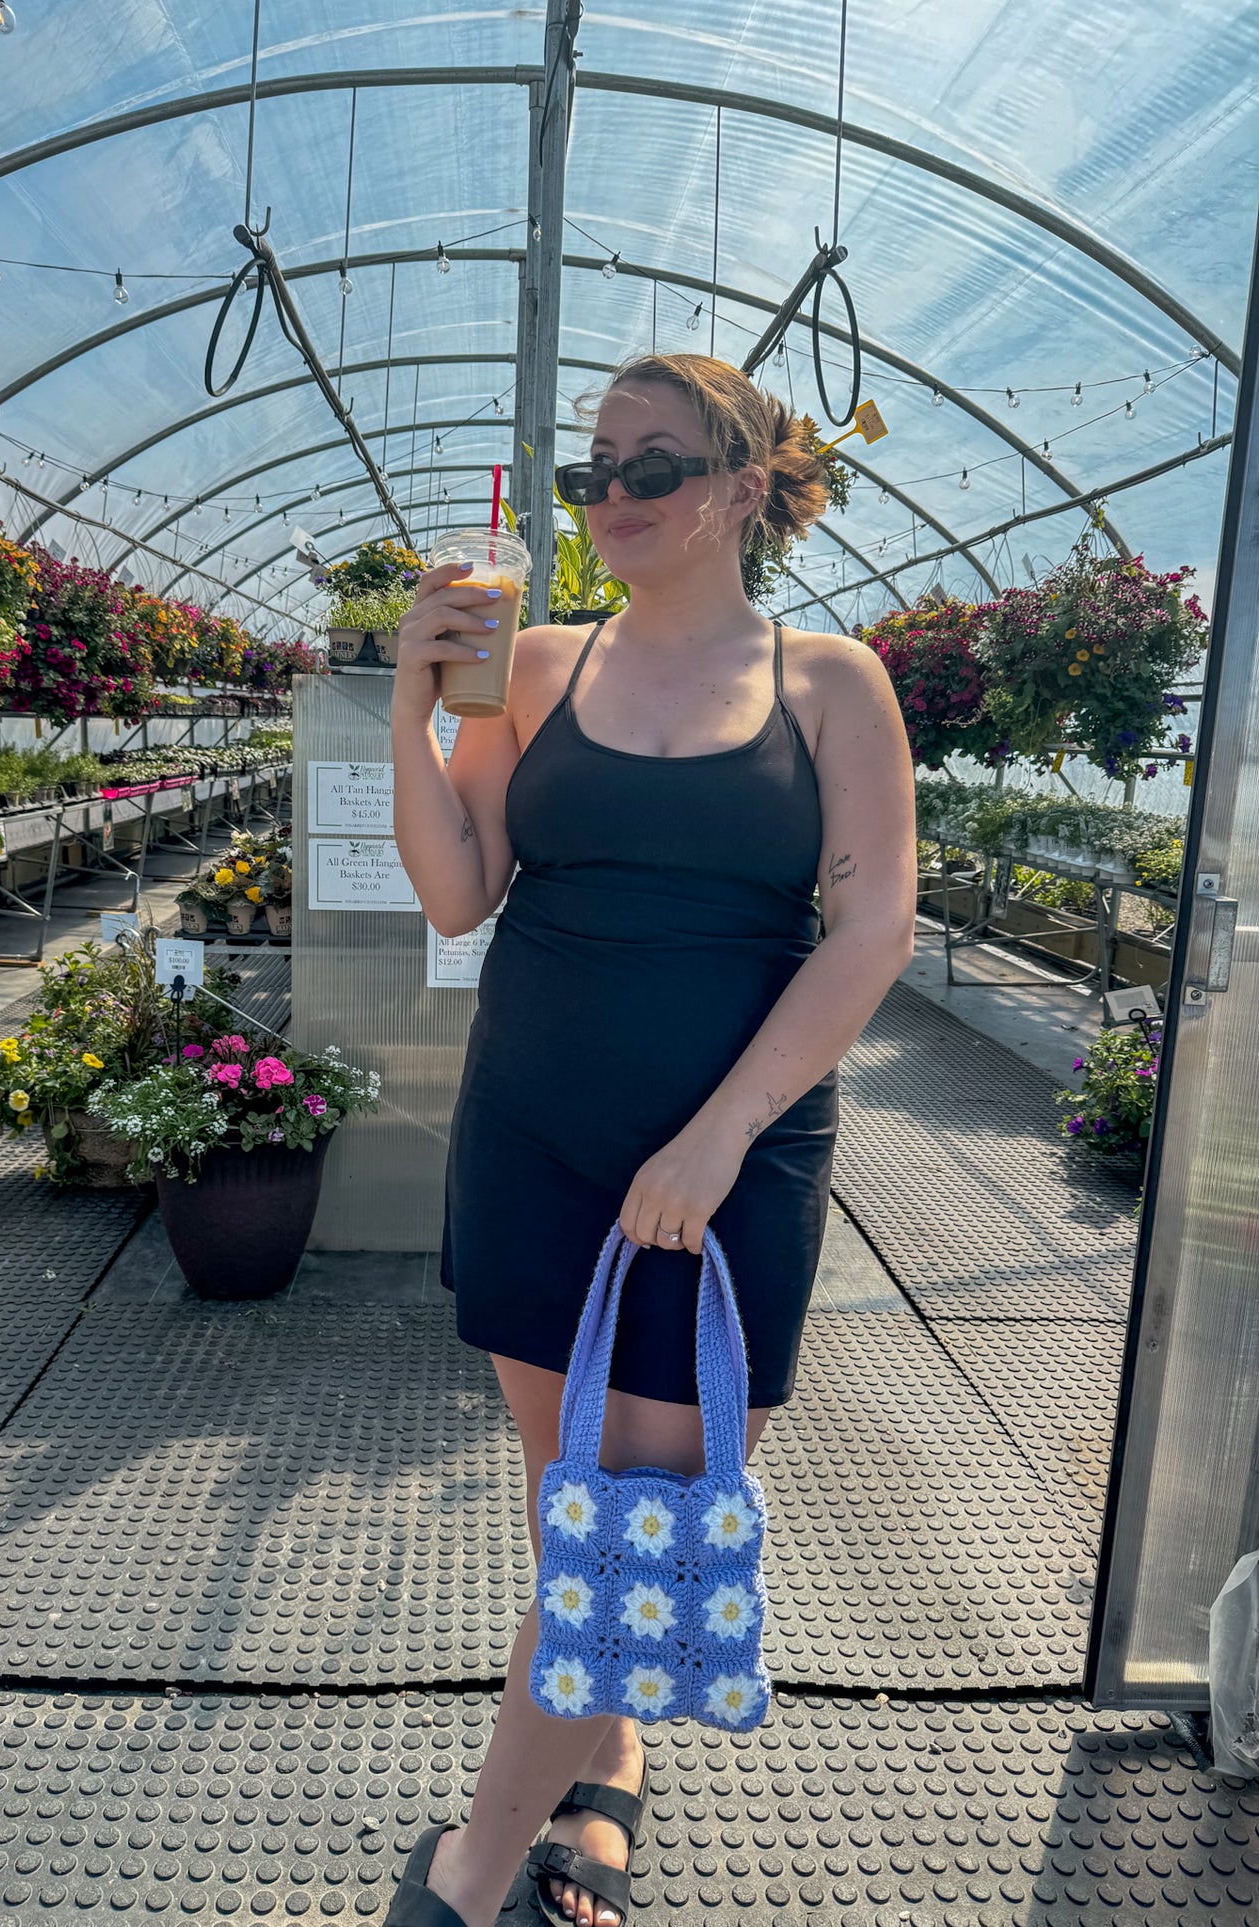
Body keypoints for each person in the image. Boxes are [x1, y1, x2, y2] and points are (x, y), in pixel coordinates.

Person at [386, 353, 916, 1927]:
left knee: (624, 1538)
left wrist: (715, 1140)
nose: (609, 498)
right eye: (589, 471)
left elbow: (872, 924)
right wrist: (406, 718)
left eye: (651, 468)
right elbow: (455, 892)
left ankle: (471, 1868)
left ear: (744, 489)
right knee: (572, 1500)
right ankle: (602, 1775)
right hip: (534, 1139)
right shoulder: (535, 662)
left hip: (728, 1168)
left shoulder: (828, 682)